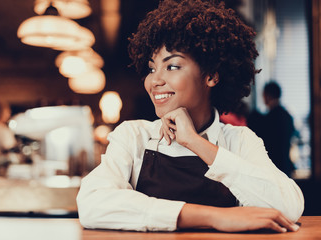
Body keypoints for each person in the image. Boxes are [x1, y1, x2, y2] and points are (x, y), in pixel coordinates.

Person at [76, 0, 304, 233]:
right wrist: (215, 217)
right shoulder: (134, 135)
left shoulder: (239, 141)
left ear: (211, 76)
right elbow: (92, 203)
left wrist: (195, 142)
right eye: (152, 68)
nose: (155, 81)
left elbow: (288, 207)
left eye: (172, 66)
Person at [262, 81, 296, 177]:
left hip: (274, 165)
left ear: (268, 95)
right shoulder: (287, 116)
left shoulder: (268, 118)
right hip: (286, 163)